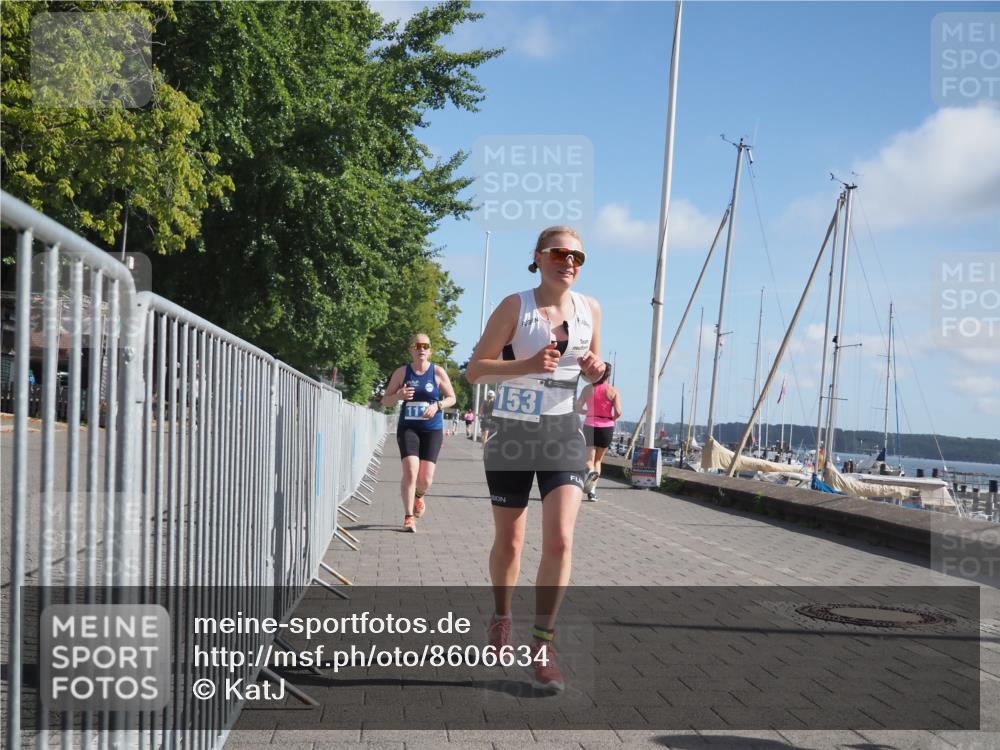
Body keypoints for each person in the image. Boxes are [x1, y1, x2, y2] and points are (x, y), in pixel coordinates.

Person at [467, 225, 605, 693]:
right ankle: (501, 617)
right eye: (560, 253)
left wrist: (598, 372)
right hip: (512, 433)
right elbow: (476, 368)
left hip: (563, 432)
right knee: (510, 543)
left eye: (578, 257)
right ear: (539, 257)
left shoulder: (590, 311)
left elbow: (595, 370)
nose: (569, 262)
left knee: (561, 541)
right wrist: (526, 365)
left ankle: (543, 645)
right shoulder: (515, 306)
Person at [381, 333, 456, 532]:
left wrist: (438, 405)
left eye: (425, 345)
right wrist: (398, 395)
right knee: (411, 472)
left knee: (425, 479)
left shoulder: (438, 372)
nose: (421, 349)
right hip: (409, 428)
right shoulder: (402, 373)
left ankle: (419, 496)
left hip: (432, 429)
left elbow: (452, 398)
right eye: (417, 345)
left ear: (430, 350)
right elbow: (385, 400)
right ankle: (408, 517)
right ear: (411, 350)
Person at [576, 363, 621, 502]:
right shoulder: (613, 391)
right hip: (606, 427)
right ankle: (593, 492)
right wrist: (610, 418)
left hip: (590, 424)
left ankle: (591, 483)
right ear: (609, 375)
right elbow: (618, 412)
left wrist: (588, 412)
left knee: (588, 460)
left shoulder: (587, 389)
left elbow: (578, 408)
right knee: (598, 461)